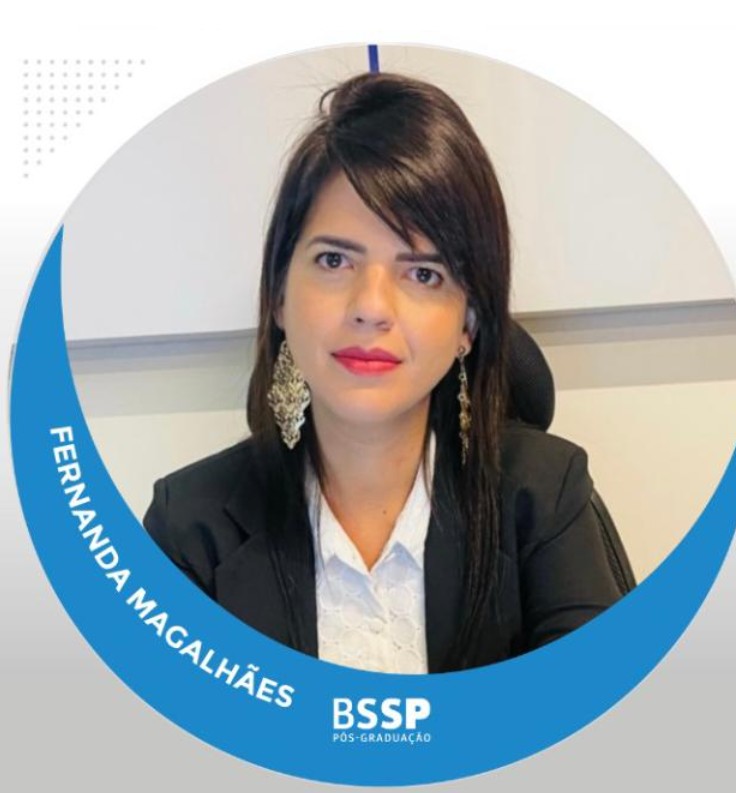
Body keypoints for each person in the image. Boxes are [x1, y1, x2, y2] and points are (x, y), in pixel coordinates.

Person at [144, 71, 624, 674]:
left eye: (423, 273)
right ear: (279, 296)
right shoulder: (190, 527)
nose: (371, 307)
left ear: (469, 322)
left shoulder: (544, 500)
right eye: (334, 260)